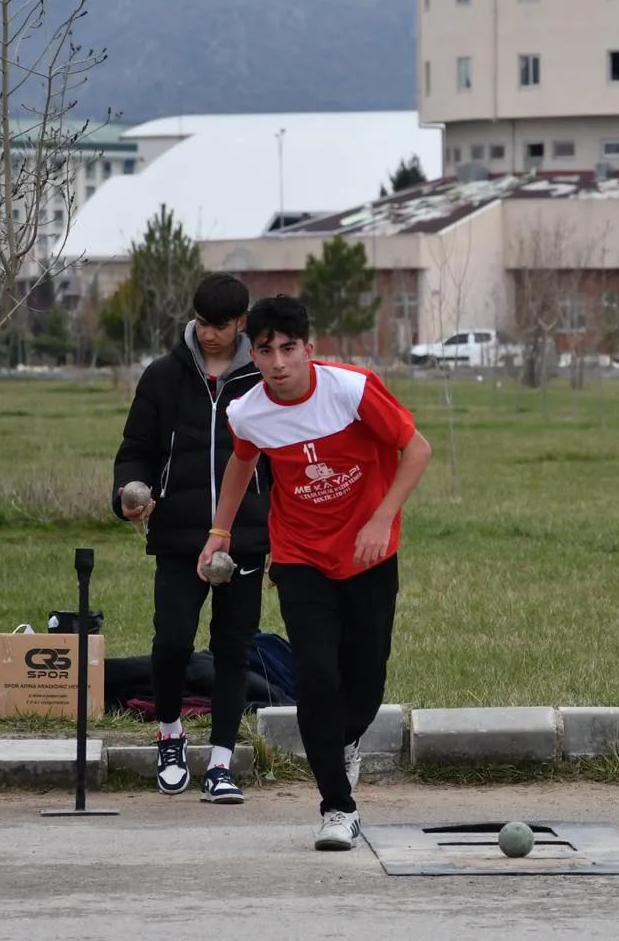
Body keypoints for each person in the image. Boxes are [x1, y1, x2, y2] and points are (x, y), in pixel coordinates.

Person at [201, 294, 431, 851]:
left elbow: (417, 449)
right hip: (300, 557)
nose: (278, 363)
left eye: (288, 349)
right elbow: (241, 463)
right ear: (251, 354)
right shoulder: (248, 411)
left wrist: (381, 518)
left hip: (369, 553)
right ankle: (337, 807)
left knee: (366, 681)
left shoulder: (351, 390)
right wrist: (219, 531)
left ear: (310, 347)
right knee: (316, 676)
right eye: (265, 351)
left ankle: (344, 740)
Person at [112, 272, 272, 804]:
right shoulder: (162, 376)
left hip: (245, 539)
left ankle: (222, 761)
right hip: (179, 537)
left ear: (241, 323)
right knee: (172, 642)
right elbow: (136, 451)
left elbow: (282, 457)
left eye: (219, 325)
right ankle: (170, 736)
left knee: (233, 649)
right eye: (202, 322)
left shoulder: (262, 381)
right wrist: (126, 495)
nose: (208, 333)